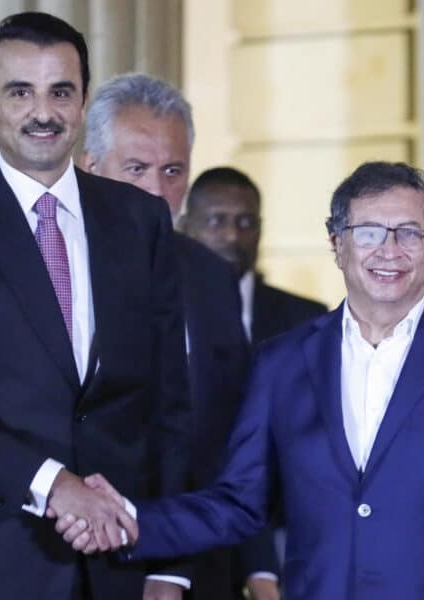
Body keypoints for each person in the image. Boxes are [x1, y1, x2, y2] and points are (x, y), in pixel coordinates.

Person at [62, 162, 424, 599]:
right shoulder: (283, 363)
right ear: (337, 243)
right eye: (368, 231)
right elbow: (239, 503)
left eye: (409, 232)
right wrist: (127, 519)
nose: (389, 250)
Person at [0, 13, 192, 599]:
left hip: (122, 564)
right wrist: (52, 484)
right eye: (20, 92)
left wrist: (168, 564)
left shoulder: (140, 220)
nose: (43, 113)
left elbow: (170, 400)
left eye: (60, 92)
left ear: (83, 102)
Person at [78, 73, 281, 600]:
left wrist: (180, 570)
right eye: (136, 168)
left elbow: (230, 439)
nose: (156, 190)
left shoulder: (211, 277)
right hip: (61, 565)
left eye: (172, 171)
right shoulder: (50, 269)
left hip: (189, 569)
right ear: (89, 167)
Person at [181, 166, 327, 344]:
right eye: (216, 221)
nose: (233, 235)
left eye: (246, 222)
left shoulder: (307, 321)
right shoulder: (154, 314)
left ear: (260, 230)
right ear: (185, 228)